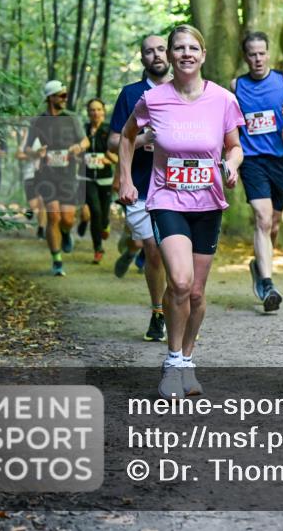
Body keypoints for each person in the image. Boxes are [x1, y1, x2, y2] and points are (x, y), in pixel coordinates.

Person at [118, 24, 244, 400]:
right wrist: (126, 179)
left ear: (203, 55)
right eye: (179, 48)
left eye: (193, 48)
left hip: (208, 203)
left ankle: (187, 359)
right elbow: (127, 136)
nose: (186, 53)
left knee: (198, 293)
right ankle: (172, 362)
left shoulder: (223, 99)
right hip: (167, 200)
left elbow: (234, 146)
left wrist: (231, 165)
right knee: (181, 282)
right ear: (170, 55)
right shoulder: (153, 99)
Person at [109, 35, 170, 341]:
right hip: (143, 186)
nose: (156, 55)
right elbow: (113, 140)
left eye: (161, 49)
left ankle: (177, 309)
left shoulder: (187, 91)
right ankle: (158, 312)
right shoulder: (131, 93)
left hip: (181, 186)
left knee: (177, 254)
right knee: (154, 250)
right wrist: (143, 138)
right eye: (149, 51)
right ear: (142, 58)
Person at [231, 31, 283, 312]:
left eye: (261, 53)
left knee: (274, 224)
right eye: (252, 54)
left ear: (268, 54)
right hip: (252, 160)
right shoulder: (236, 86)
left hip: (280, 160)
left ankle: (259, 266)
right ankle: (268, 284)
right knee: (263, 217)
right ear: (245, 57)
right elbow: (229, 124)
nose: (257, 59)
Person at [23, 80, 90, 276]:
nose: (64, 98)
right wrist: (36, 153)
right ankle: (57, 260)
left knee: (67, 219)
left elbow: (85, 140)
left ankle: (66, 233)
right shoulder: (38, 121)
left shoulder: (72, 118)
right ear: (50, 97)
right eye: (61, 95)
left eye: (65, 95)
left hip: (67, 175)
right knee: (53, 216)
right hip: (46, 175)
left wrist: (78, 147)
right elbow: (27, 148)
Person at [80, 98, 117, 263]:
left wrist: (109, 160)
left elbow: (120, 156)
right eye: (92, 110)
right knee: (95, 211)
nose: (95, 113)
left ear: (103, 111)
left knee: (103, 213)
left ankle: (105, 224)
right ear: (88, 113)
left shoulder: (110, 130)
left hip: (105, 178)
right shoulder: (83, 130)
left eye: (98, 109)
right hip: (87, 177)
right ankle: (98, 248)